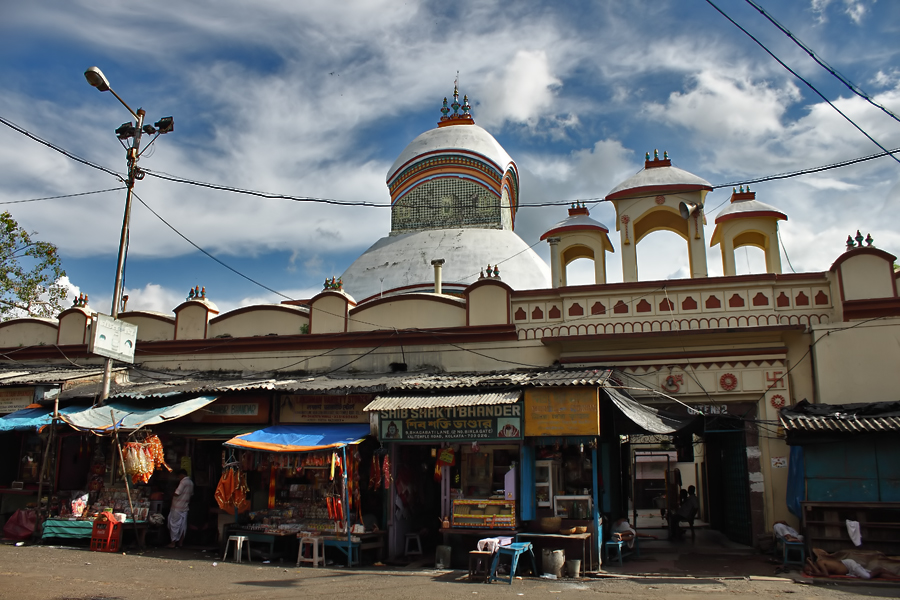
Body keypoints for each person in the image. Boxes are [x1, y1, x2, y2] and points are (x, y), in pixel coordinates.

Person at [167, 469, 194, 548]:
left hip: (177, 507)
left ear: (181, 475)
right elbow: (191, 494)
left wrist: (171, 494)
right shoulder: (191, 483)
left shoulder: (183, 482)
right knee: (182, 526)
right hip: (185, 507)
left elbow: (177, 493)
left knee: (174, 525)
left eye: (179, 476)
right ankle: (180, 543)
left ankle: (173, 543)